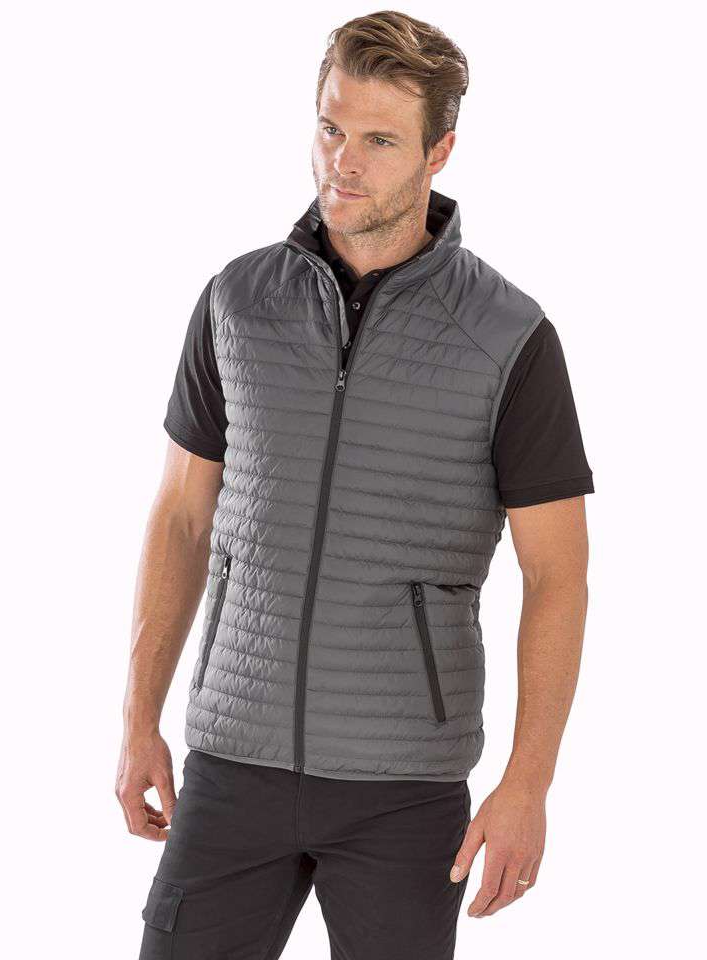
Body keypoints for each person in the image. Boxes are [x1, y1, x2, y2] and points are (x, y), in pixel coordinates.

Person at [116, 11, 593, 959]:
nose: (343, 162)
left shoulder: (508, 337)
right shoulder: (237, 302)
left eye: (380, 140)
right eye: (332, 128)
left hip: (403, 789)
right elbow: (180, 519)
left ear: (439, 152)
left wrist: (528, 782)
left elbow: (558, 574)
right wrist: (139, 720)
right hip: (231, 764)